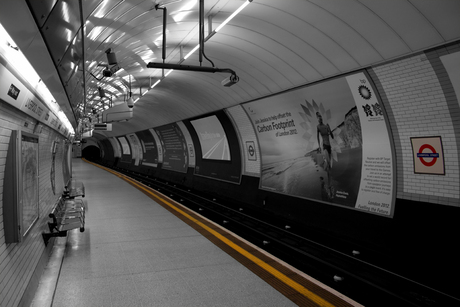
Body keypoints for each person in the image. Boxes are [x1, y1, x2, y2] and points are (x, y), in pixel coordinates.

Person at [316, 111, 334, 198]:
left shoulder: (326, 126)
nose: (319, 119)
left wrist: (329, 129)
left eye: (320, 117)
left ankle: (329, 184)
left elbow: (332, 136)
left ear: (321, 118)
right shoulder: (318, 127)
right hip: (324, 146)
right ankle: (330, 186)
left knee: (329, 165)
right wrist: (319, 146)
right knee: (328, 165)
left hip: (329, 146)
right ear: (317, 119)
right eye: (318, 118)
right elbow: (317, 137)